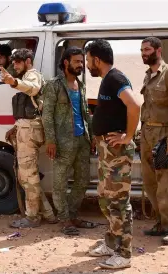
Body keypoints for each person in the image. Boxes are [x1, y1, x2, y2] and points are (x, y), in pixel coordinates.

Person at [84, 39, 142, 269]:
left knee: (119, 202)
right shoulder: (107, 80)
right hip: (107, 150)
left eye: (89, 60)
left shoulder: (115, 78)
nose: (88, 65)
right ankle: (110, 243)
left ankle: (124, 253)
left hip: (116, 151)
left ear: (97, 60)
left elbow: (134, 105)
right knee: (105, 198)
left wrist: (128, 136)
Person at [42, 46, 96, 235]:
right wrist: (51, 140)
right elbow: (47, 114)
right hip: (63, 142)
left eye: (82, 62)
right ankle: (64, 220)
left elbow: (85, 113)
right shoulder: (54, 85)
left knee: (83, 180)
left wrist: (92, 135)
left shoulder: (80, 86)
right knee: (60, 183)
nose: (81, 65)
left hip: (82, 140)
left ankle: (72, 215)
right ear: (66, 63)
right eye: (77, 62)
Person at [139, 37, 168, 245]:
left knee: (165, 184)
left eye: (147, 49)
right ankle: (160, 223)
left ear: (158, 50)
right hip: (147, 135)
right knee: (150, 184)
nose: (144, 53)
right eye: (142, 50)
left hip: (164, 136)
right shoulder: (149, 75)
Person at [2, 48, 57, 228]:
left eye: (18, 62)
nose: (15, 66)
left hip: (30, 132)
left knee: (28, 176)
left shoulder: (31, 76)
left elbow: (33, 89)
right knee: (26, 176)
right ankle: (48, 213)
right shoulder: (25, 78)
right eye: (14, 63)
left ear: (27, 61)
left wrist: (14, 82)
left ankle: (32, 217)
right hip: (25, 129)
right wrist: (15, 127)